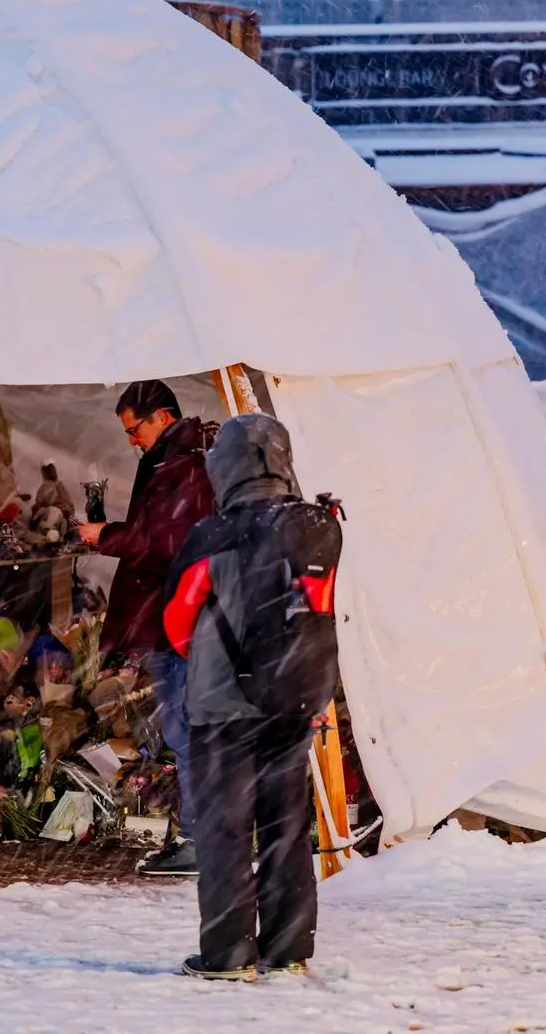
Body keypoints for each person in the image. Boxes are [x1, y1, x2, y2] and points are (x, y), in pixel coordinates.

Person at [163, 413, 341, 981]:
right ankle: (287, 948)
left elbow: (177, 619)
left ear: (226, 468)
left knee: (224, 830)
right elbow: (317, 605)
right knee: (287, 825)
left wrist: (216, 658)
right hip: (294, 698)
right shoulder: (315, 524)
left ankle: (228, 955)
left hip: (223, 707)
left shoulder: (212, 534)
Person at [77, 379, 216, 876]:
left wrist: (108, 536)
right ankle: (202, 837)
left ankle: (202, 842)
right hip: (176, 615)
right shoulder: (173, 460)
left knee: (188, 730)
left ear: (162, 417)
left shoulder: (185, 464)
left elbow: (166, 542)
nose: (131, 440)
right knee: (186, 730)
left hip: (181, 618)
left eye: (134, 429)